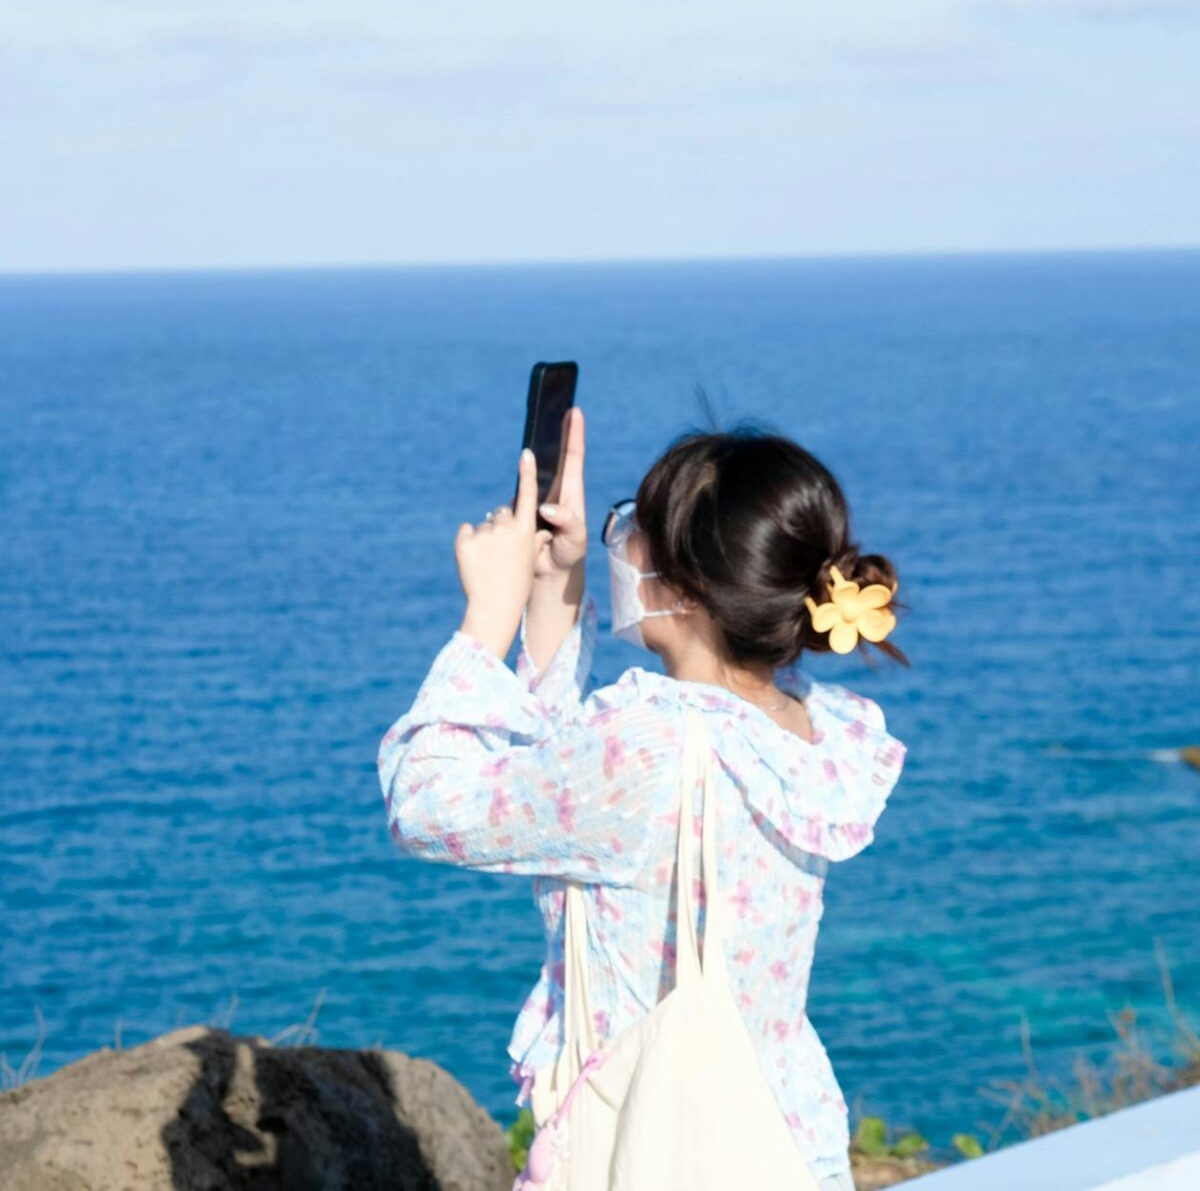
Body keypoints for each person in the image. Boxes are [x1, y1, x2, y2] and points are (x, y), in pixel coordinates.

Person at [378, 406, 909, 1191]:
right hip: (783, 1144)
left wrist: (487, 619)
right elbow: (575, 796)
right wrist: (554, 591)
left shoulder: (649, 747)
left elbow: (425, 806)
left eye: (635, 525)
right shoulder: (811, 727)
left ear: (687, 591)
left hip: (647, 1151)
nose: (617, 538)